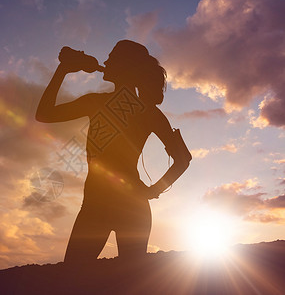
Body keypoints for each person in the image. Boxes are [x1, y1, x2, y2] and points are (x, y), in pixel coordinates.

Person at [36, 40, 191, 264]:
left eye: (112, 58)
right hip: (129, 207)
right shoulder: (150, 112)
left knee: (72, 279)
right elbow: (183, 160)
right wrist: (150, 191)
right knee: (130, 282)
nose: (105, 61)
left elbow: (44, 114)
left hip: (97, 205)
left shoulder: (96, 103)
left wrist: (64, 70)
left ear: (125, 68)